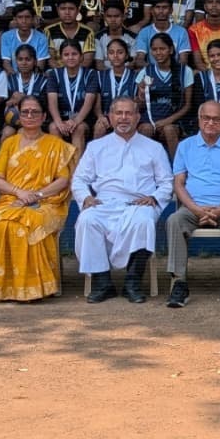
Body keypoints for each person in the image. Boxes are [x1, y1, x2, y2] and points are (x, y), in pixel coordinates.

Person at [71, 95, 173, 303]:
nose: (123, 118)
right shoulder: (95, 147)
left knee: (144, 221)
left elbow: (167, 182)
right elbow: (79, 179)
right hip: (104, 202)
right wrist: (86, 197)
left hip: (139, 203)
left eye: (129, 113)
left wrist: (154, 197)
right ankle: (102, 283)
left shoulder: (153, 147)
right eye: (119, 113)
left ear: (137, 117)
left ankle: (132, 283)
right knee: (87, 220)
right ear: (110, 116)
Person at [0, 94, 76, 301]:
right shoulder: (9, 143)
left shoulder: (56, 145)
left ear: (44, 116)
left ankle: (37, 288)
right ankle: (8, 288)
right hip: (12, 198)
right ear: (19, 115)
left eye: (35, 112)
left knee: (32, 221)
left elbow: (63, 180)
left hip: (47, 201)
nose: (29, 115)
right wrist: (20, 193)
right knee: (2, 223)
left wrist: (35, 195)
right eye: (25, 111)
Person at [164, 100, 220, 309]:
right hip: (192, 208)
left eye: (216, 119)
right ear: (199, 120)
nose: (211, 122)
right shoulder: (185, 146)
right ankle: (179, 282)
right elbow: (179, 184)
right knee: (174, 220)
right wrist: (195, 209)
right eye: (206, 118)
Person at [136, 32, 193, 159]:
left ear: (171, 50)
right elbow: (138, 106)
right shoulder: (146, 71)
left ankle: (178, 170)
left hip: (174, 123)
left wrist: (168, 121)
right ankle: (142, 168)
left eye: (162, 49)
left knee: (169, 129)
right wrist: (141, 93)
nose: (158, 53)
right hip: (150, 121)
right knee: (146, 128)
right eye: (154, 50)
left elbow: (188, 105)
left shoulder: (185, 71)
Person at [46, 40, 98, 157]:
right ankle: (60, 170)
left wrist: (75, 121)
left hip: (83, 120)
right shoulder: (54, 74)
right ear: (61, 57)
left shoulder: (90, 74)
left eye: (74, 54)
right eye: (66, 54)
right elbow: (52, 102)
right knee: (54, 127)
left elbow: (88, 103)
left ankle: (77, 173)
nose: (70, 57)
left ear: (81, 57)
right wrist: (59, 122)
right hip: (61, 119)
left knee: (78, 129)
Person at [0, 44, 50, 142]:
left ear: (35, 61)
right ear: (16, 62)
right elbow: (2, 104)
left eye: (28, 59)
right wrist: (9, 102)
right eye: (20, 59)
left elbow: (46, 104)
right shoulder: (9, 80)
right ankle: (3, 158)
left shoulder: (43, 81)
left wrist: (23, 98)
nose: (24, 63)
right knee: (7, 133)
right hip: (13, 121)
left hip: (36, 121)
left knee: (22, 133)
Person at [134, 0, 192, 68]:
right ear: (152, 10)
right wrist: (157, 72)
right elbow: (139, 60)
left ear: (171, 10)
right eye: (157, 7)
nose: (161, 11)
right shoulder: (144, 32)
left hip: (174, 73)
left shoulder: (181, 32)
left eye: (165, 7)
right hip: (151, 74)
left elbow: (183, 61)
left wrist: (170, 72)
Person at [0, 4, 51, 75]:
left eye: (27, 17)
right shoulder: (6, 36)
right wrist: (16, 80)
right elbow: (6, 63)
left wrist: (28, 80)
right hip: (12, 76)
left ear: (33, 19)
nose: (24, 21)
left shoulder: (41, 38)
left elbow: (40, 65)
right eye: (20, 17)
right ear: (15, 19)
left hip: (34, 77)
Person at [43, 0, 96, 67]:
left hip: (80, 73)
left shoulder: (88, 32)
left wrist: (73, 74)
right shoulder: (48, 31)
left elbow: (86, 61)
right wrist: (62, 74)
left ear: (78, 10)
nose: (67, 13)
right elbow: (51, 60)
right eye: (63, 9)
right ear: (57, 10)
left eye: (71, 9)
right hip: (57, 73)